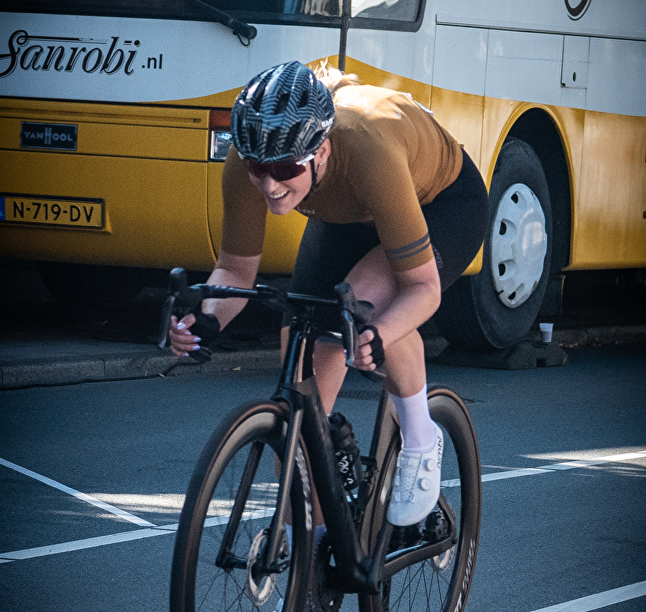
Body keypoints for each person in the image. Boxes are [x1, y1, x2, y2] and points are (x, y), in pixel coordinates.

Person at [169, 61, 488, 527]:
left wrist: (379, 335)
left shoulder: (369, 147)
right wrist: (208, 318)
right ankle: (315, 551)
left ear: (321, 151)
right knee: (301, 408)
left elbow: (423, 288)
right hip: (349, 213)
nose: (270, 184)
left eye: (285, 168)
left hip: (441, 206)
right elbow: (236, 268)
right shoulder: (250, 156)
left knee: (360, 306)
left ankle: (421, 437)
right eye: (258, 168)